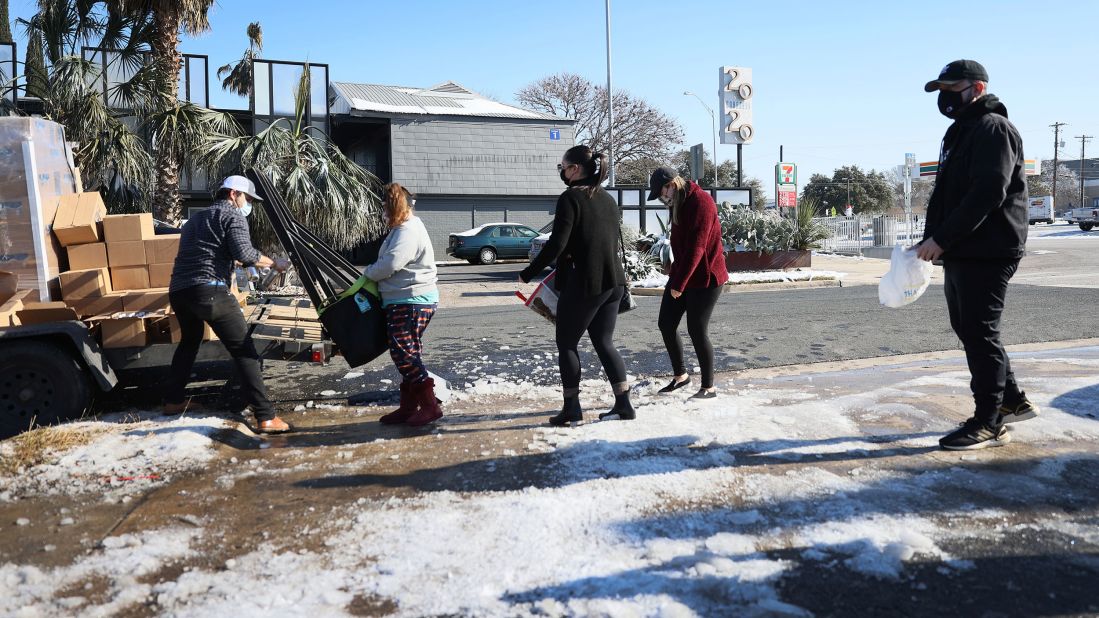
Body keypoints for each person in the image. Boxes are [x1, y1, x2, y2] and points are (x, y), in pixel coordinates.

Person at [915, 59, 1036, 451]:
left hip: (990, 247)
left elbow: (988, 193)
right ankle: (1011, 400)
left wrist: (943, 239)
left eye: (953, 89)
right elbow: (949, 195)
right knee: (971, 329)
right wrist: (929, 239)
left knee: (980, 332)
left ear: (977, 89)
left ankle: (989, 421)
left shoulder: (993, 129)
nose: (946, 97)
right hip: (966, 247)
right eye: (942, 91)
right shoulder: (959, 133)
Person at [165, 175, 292, 433]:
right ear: (233, 194)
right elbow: (244, 253)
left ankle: (173, 401)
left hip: (180, 291)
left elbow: (209, 253)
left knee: (189, 342)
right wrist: (274, 263)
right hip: (210, 291)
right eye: (247, 198)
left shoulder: (195, 220)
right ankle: (266, 416)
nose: (248, 205)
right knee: (244, 350)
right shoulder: (233, 216)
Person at [520, 145, 634, 426]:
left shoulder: (570, 197)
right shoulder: (607, 198)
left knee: (567, 343)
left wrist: (528, 273)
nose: (561, 172)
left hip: (585, 282)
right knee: (604, 342)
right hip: (614, 282)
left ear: (575, 169)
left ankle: (572, 408)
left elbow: (557, 244)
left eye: (563, 167)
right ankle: (624, 405)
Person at [647, 166, 729, 399]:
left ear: (672, 184)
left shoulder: (701, 202)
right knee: (666, 323)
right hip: (683, 273)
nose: (663, 198)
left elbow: (697, 248)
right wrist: (675, 273)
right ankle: (681, 376)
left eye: (662, 193)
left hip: (706, 277)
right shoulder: (679, 203)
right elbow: (681, 244)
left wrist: (678, 284)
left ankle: (708, 387)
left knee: (696, 329)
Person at [365, 183, 442, 426]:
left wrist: (367, 273)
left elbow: (390, 264)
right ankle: (408, 408)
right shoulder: (404, 228)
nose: (383, 214)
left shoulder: (407, 230)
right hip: (407, 299)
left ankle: (429, 407)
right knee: (409, 352)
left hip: (410, 301)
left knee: (404, 354)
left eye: (384, 209)